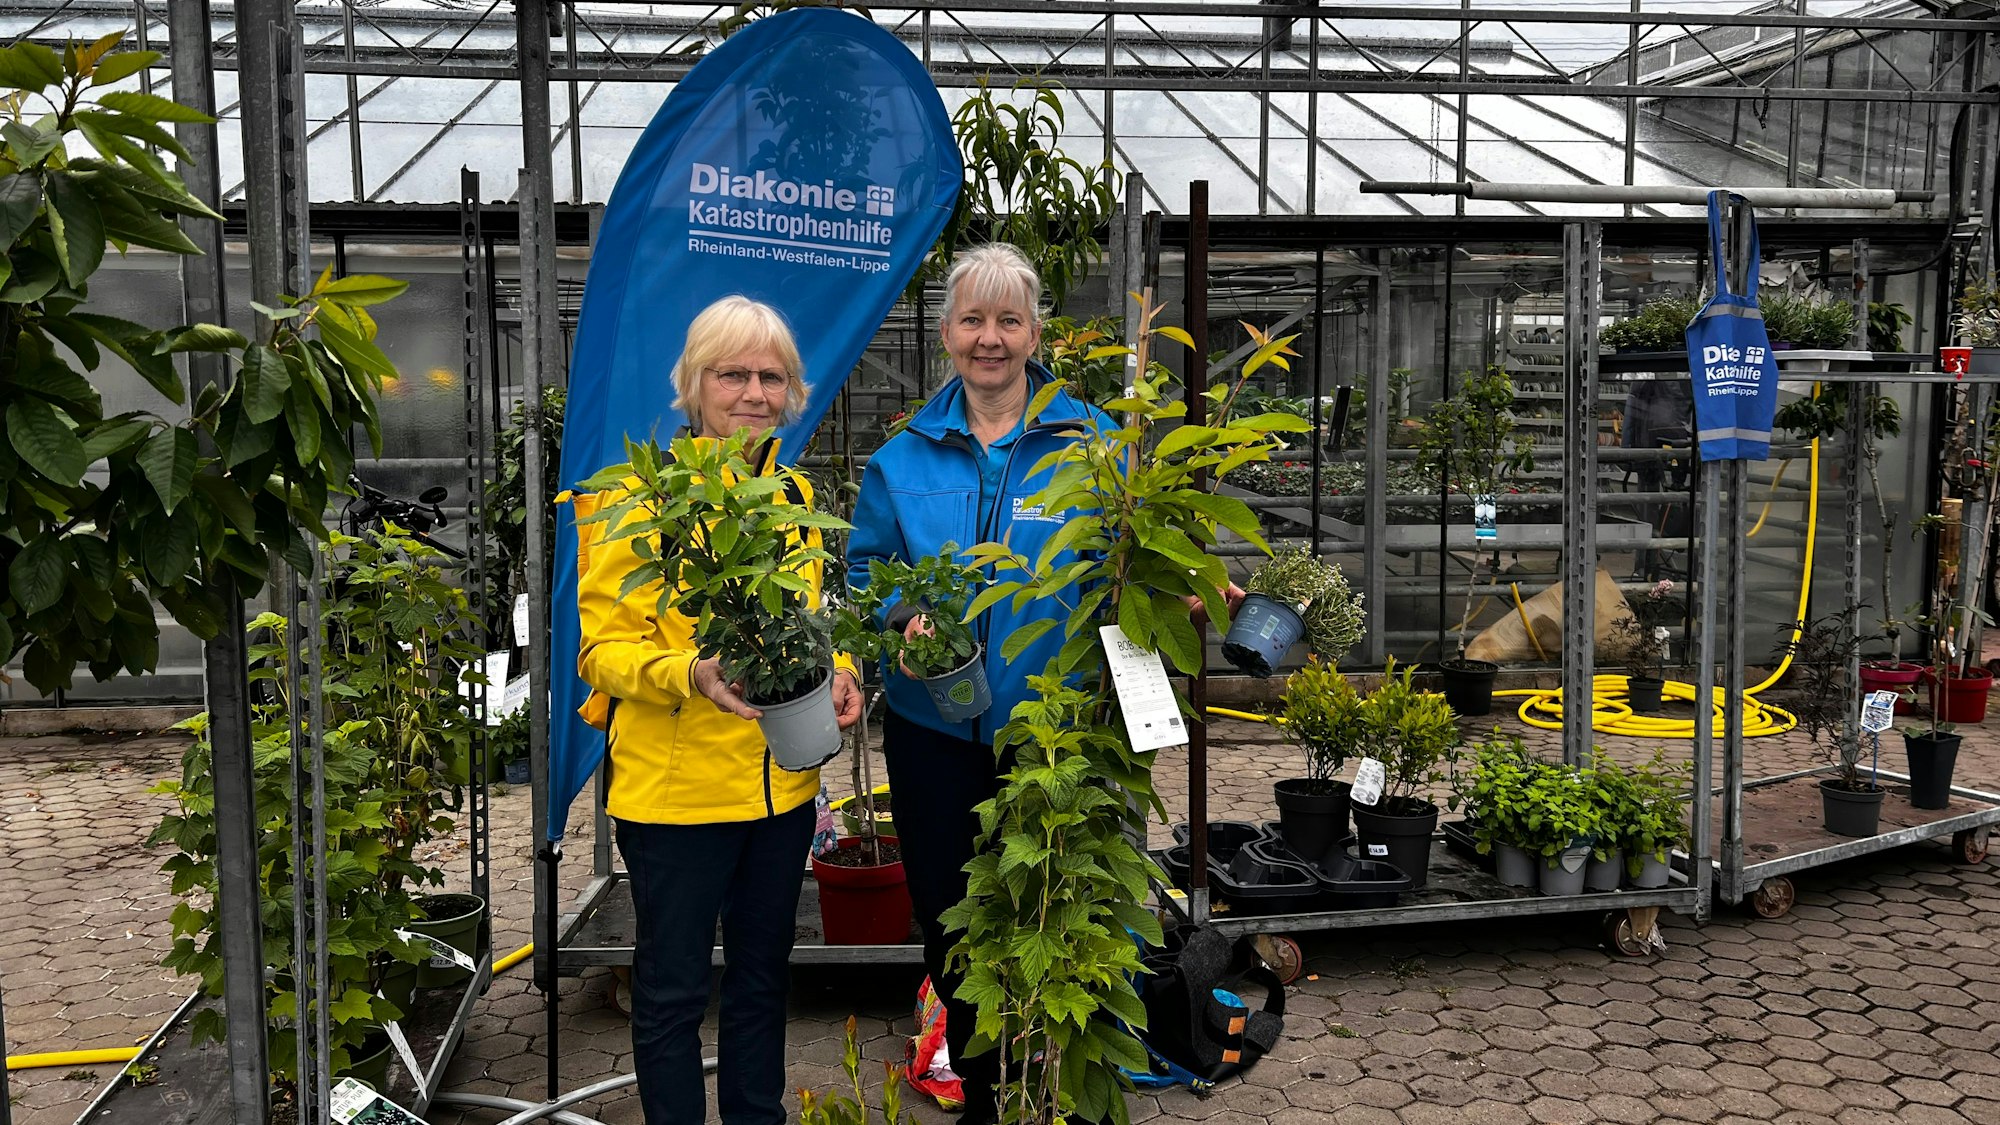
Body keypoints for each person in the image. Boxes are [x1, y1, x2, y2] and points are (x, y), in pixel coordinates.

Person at [849, 244, 1239, 1122]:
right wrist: (903, 614)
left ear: (1034, 333)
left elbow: (1131, 563)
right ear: (946, 333)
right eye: (973, 319)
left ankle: (1063, 1091)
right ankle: (991, 1095)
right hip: (934, 730)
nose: (990, 338)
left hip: (1060, 732)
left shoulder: (1098, 447)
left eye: (1008, 319)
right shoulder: (902, 457)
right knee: (952, 920)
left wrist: (1179, 589)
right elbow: (868, 568)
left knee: (1068, 914)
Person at [573, 294, 864, 1125]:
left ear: (793, 392)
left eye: (771, 376)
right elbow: (600, 651)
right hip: (675, 798)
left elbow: (806, 623)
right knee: (669, 990)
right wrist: (689, 673)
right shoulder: (633, 499)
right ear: (693, 386)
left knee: (763, 975)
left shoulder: (792, 496)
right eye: (731, 373)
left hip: (779, 791)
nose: (752, 392)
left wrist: (837, 667)